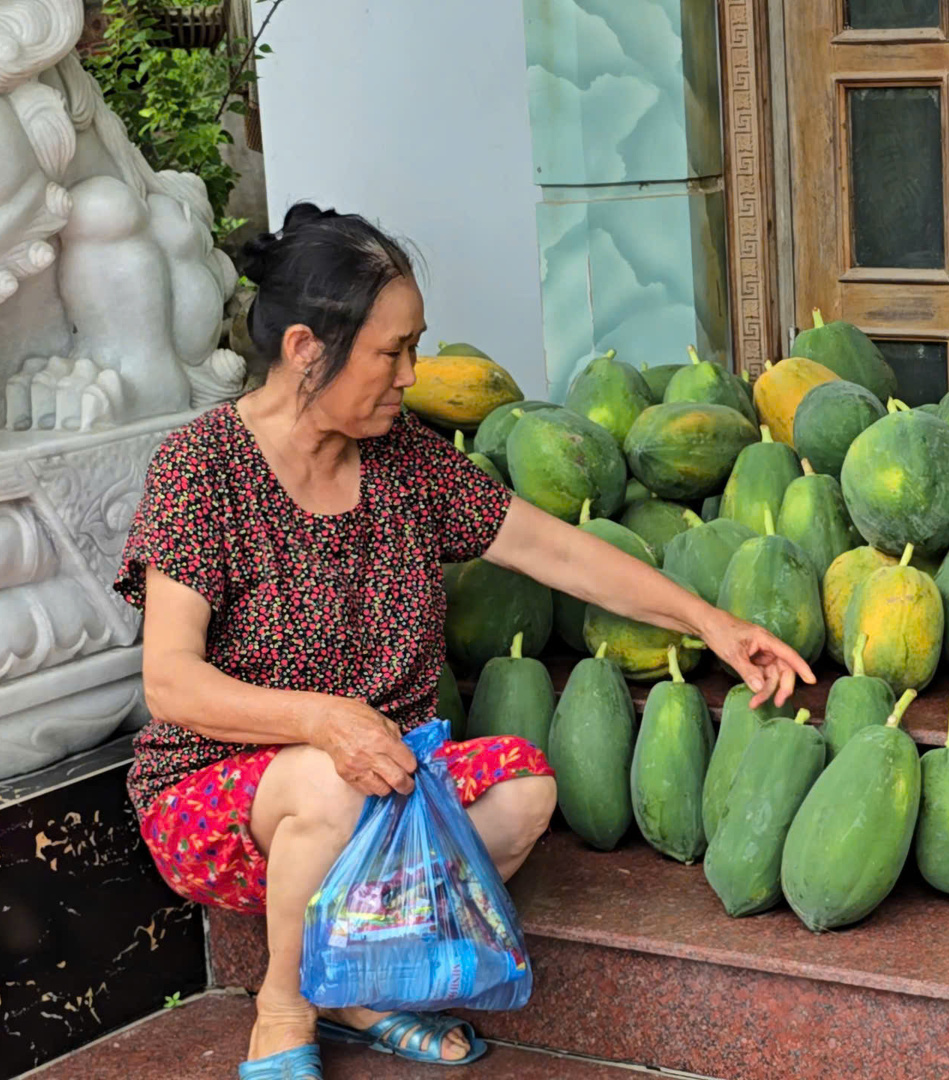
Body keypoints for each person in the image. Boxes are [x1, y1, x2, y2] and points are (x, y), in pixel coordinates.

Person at [114, 202, 815, 1080]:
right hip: (223, 795)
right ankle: (284, 1008)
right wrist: (326, 721)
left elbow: (556, 549)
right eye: (390, 352)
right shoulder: (202, 468)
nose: (412, 375)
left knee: (522, 792)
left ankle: (357, 992)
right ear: (304, 350)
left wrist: (714, 624)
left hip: (382, 774)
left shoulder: (406, 459)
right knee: (331, 782)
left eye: (416, 348)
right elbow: (172, 685)